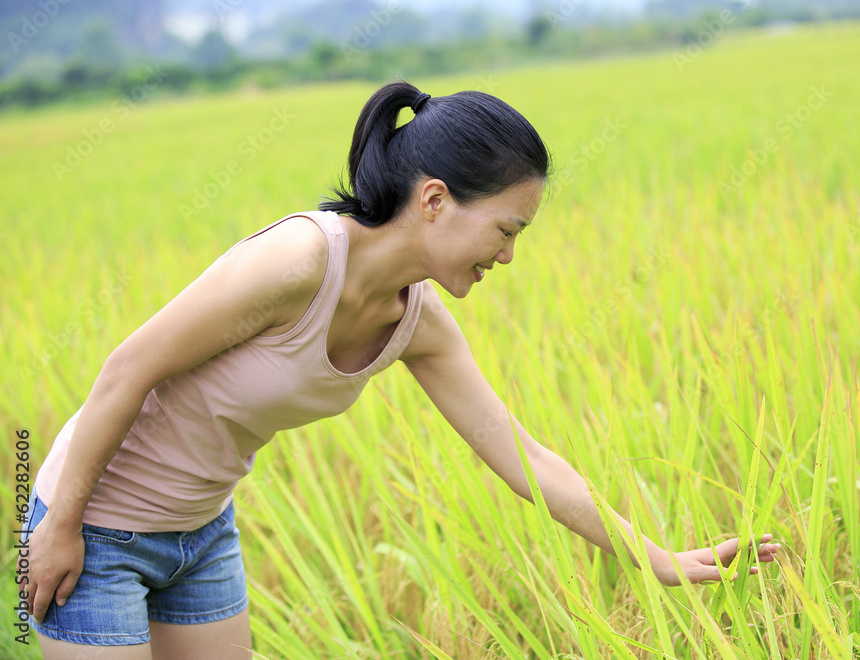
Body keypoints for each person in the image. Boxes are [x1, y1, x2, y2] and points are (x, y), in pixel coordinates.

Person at [23, 81, 781, 659]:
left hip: (202, 534)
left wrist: (656, 559)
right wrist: (60, 527)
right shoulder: (300, 262)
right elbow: (127, 370)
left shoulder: (418, 321)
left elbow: (525, 457)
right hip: (93, 528)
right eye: (507, 229)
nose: (509, 255)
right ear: (435, 199)